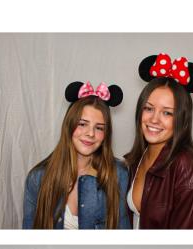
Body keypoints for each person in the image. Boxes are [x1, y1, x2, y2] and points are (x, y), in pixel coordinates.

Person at [125, 55, 193, 229]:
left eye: (167, 113)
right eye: (149, 108)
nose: (154, 119)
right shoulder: (139, 158)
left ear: (181, 119)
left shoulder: (188, 168)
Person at [23, 83, 129, 229]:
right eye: (82, 124)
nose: (90, 133)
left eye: (99, 128)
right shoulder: (37, 178)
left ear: (106, 134)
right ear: (69, 125)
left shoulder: (118, 174)